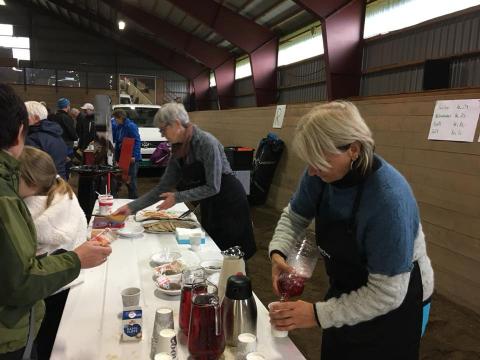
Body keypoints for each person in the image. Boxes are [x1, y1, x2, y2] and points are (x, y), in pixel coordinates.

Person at [268, 101, 434, 359]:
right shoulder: (319, 173)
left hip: (393, 299)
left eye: (319, 161)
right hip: (347, 284)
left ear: (353, 150)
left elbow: (387, 293)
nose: (311, 170)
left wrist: (316, 314)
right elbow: (294, 216)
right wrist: (278, 253)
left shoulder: (388, 200)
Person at [0, 83, 112, 360]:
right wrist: (76, 258)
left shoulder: (17, 194)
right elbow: (22, 280)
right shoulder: (8, 199)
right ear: (19, 133)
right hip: (10, 333)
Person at [113, 103, 256, 260]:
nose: (161, 134)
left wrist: (177, 197)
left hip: (229, 202)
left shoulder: (206, 142)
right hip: (210, 202)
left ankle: (240, 284)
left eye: (162, 129)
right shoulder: (178, 150)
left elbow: (213, 186)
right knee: (215, 254)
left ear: (175, 124)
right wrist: (130, 208)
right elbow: (162, 188)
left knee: (235, 256)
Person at [18, 146, 88, 360]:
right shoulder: (63, 192)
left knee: (45, 345)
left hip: (48, 290)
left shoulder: (27, 211)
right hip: (68, 283)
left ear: (30, 182)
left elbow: (24, 269)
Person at [24, 101, 68, 179]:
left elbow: (30, 172)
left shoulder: (32, 139)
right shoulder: (56, 134)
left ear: (36, 118)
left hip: (44, 186)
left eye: (24, 116)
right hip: (60, 183)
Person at [111, 109, 141, 199]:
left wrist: (134, 156)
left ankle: (134, 200)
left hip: (131, 158)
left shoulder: (130, 126)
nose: (114, 121)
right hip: (123, 156)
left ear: (120, 117)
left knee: (131, 181)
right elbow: (116, 140)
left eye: (115, 119)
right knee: (121, 178)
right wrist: (117, 158)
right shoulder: (119, 126)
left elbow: (137, 141)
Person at [53, 97, 77, 178]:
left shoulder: (52, 117)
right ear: (67, 106)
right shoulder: (67, 118)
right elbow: (72, 134)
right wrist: (76, 137)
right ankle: (64, 187)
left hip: (54, 147)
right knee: (65, 171)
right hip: (66, 148)